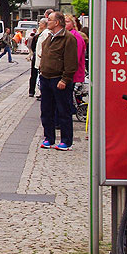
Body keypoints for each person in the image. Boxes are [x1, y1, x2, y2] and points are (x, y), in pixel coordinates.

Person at [38, 11, 79, 151]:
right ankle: (49, 138)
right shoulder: (49, 37)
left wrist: (65, 79)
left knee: (63, 111)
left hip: (59, 79)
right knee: (46, 111)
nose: (47, 21)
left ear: (57, 22)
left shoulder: (68, 38)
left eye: (49, 20)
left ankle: (66, 141)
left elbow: (71, 62)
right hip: (46, 78)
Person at [65, 14, 87, 85]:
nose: (65, 24)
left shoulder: (75, 36)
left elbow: (76, 57)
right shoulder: (65, 35)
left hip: (73, 76)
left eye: (67, 21)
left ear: (73, 24)